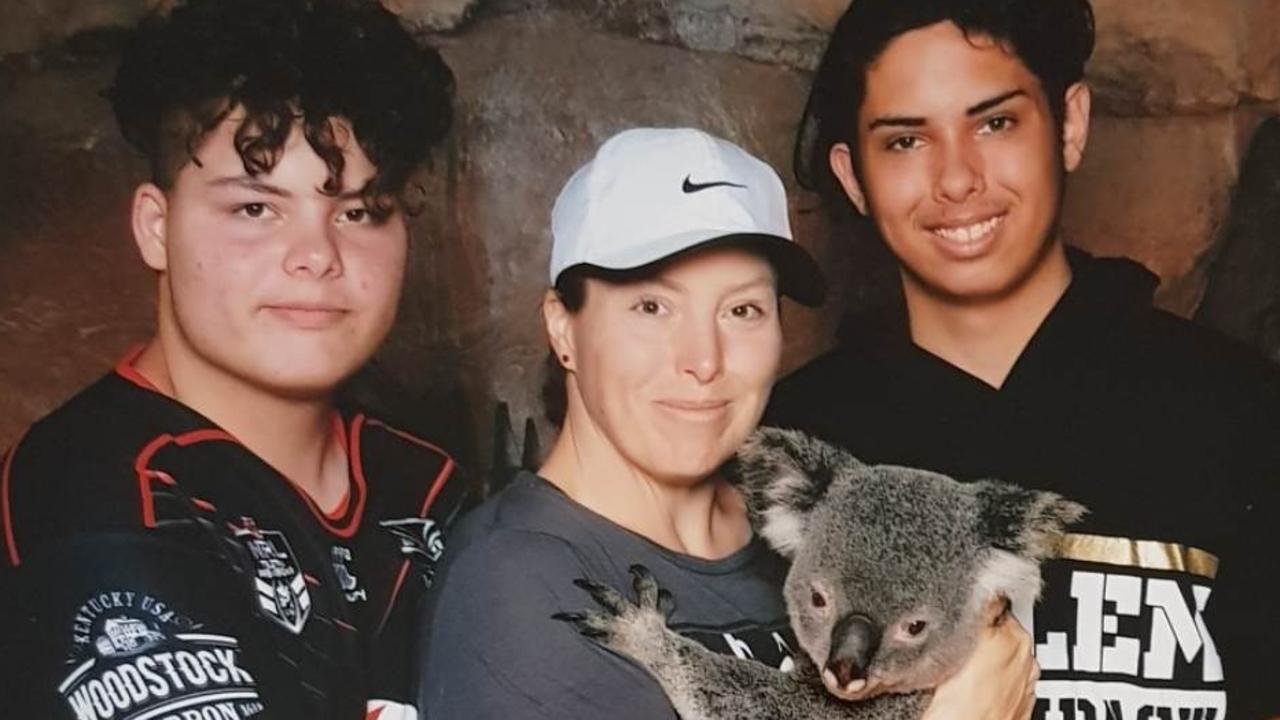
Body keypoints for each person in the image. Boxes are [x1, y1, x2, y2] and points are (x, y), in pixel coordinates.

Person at [418, 127, 1040, 719]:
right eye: (652, 306)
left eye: (742, 309)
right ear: (563, 328)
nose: (704, 361)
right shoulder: (519, 586)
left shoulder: (812, 533)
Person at [767, 1, 1280, 718]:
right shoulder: (798, 441)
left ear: (1068, 125)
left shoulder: (1236, 406)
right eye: (907, 141)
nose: (956, 178)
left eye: (995, 122)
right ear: (853, 177)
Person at [0, 0, 466, 717]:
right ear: (156, 229)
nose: (317, 256)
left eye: (360, 210)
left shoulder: (425, 482)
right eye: (255, 208)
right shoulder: (97, 493)